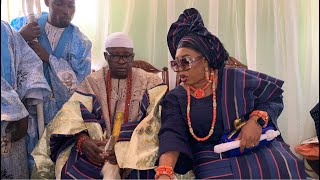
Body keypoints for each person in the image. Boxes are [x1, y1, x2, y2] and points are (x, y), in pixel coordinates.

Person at [156, 8, 306, 179]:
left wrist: (255, 121)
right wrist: (164, 171)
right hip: (213, 155)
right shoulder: (176, 98)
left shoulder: (235, 78)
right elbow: (172, 133)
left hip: (255, 145)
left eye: (186, 62)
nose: (180, 70)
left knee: (285, 164)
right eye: (176, 64)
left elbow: (272, 96)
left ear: (205, 60)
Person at [31, 32, 166, 179]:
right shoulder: (92, 82)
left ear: (132, 57)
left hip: (137, 150)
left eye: (126, 56)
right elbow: (70, 115)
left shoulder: (151, 82)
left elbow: (156, 120)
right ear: (106, 56)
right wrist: (83, 141)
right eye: (115, 56)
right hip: (99, 151)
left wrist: (124, 147)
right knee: (71, 173)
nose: (122, 61)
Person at [10, 0, 92, 171]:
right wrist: (20, 38)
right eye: (60, 4)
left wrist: (49, 58)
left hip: (61, 115)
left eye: (71, 5)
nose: (66, 11)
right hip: (28, 113)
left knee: (58, 165)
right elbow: (6, 62)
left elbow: (81, 85)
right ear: (47, 2)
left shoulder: (81, 42)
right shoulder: (22, 26)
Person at [1, 20, 50, 179]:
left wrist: (24, 108)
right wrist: (17, 110)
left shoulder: (6, 28)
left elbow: (27, 64)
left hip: (14, 124)